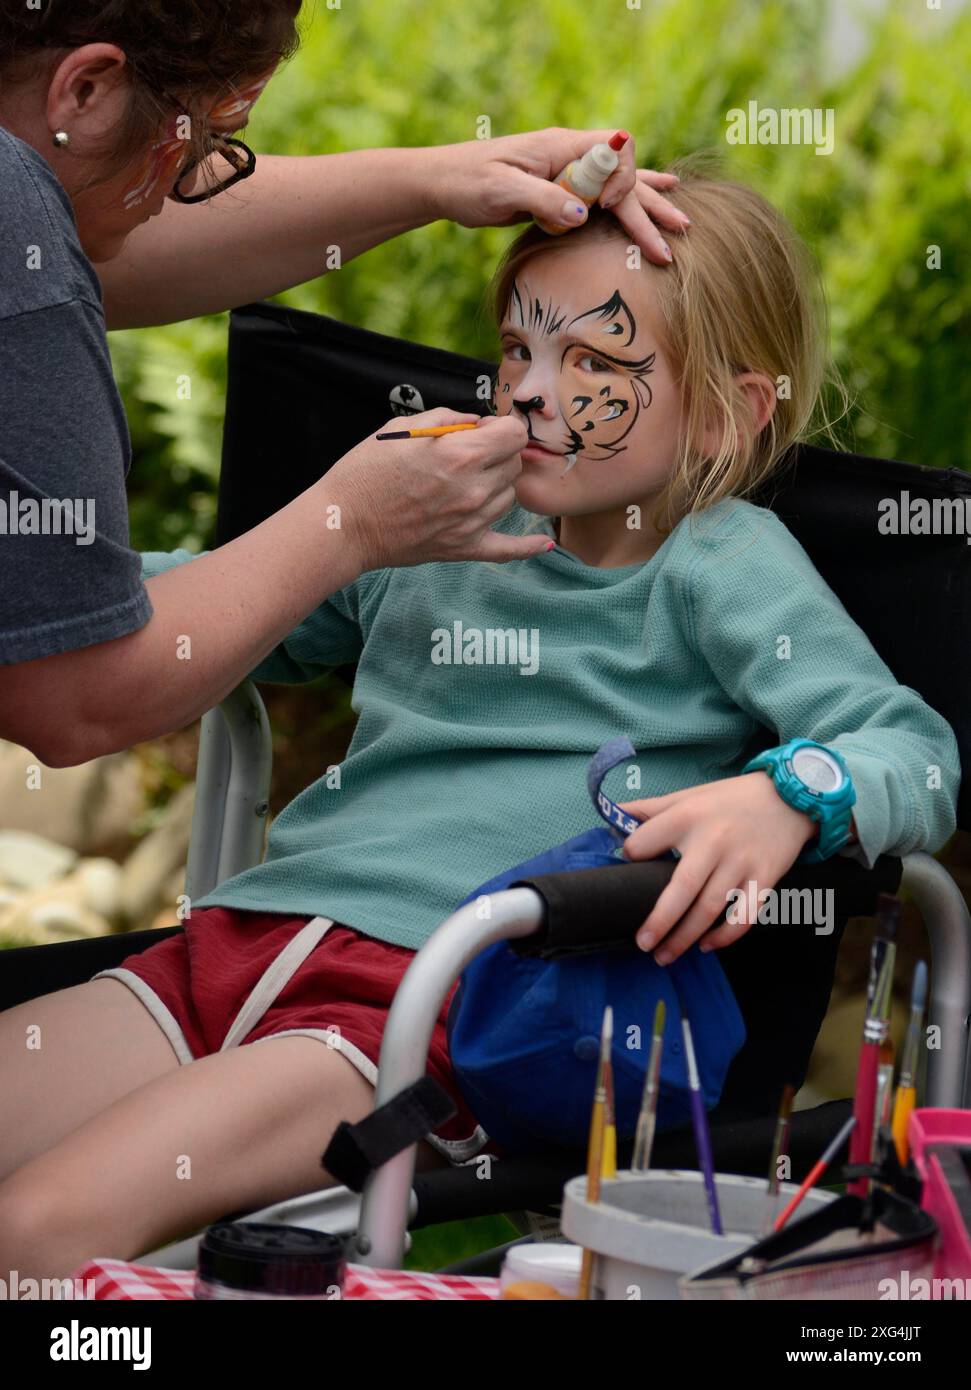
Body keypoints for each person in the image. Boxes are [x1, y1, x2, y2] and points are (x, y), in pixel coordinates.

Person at [0, 162, 959, 1285]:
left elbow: (914, 752)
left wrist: (784, 795)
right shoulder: (438, 508)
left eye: (595, 362)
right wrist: (47, 607)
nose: (532, 393)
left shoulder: (720, 565)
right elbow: (216, 605)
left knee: (33, 1233)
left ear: (723, 413)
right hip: (227, 951)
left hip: (416, 1015)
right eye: (518, 348)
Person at [0, 0, 687, 763]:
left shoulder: (724, 577)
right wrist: (351, 523)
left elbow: (87, 243)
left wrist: (438, 180)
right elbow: (76, 692)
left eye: (594, 359)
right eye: (204, 147)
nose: (176, 191)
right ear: (86, 89)